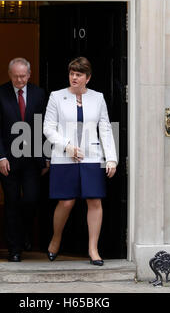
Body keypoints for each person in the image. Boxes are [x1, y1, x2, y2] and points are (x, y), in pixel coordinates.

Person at [43, 57, 117, 266]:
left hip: (92, 156)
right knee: (66, 201)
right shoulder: (56, 97)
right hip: (64, 156)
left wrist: (111, 157)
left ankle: (93, 249)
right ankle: (55, 239)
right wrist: (67, 146)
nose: (74, 78)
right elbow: (48, 127)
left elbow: (105, 128)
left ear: (88, 78)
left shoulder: (98, 98)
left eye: (79, 74)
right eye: (72, 74)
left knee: (94, 201)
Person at [0, 57, 49, 262]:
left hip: (32, 159)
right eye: (16, 76)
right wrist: (0, 156)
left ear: (29, 74)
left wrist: (46, 156)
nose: (19, 80)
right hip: (8, 160)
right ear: (10, 75)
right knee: (11, 203)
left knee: (31, 199)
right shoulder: (0, 93)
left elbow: (44, 126)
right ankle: (14, 249)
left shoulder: (39, 93)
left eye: (23, 76)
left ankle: (26, 233)